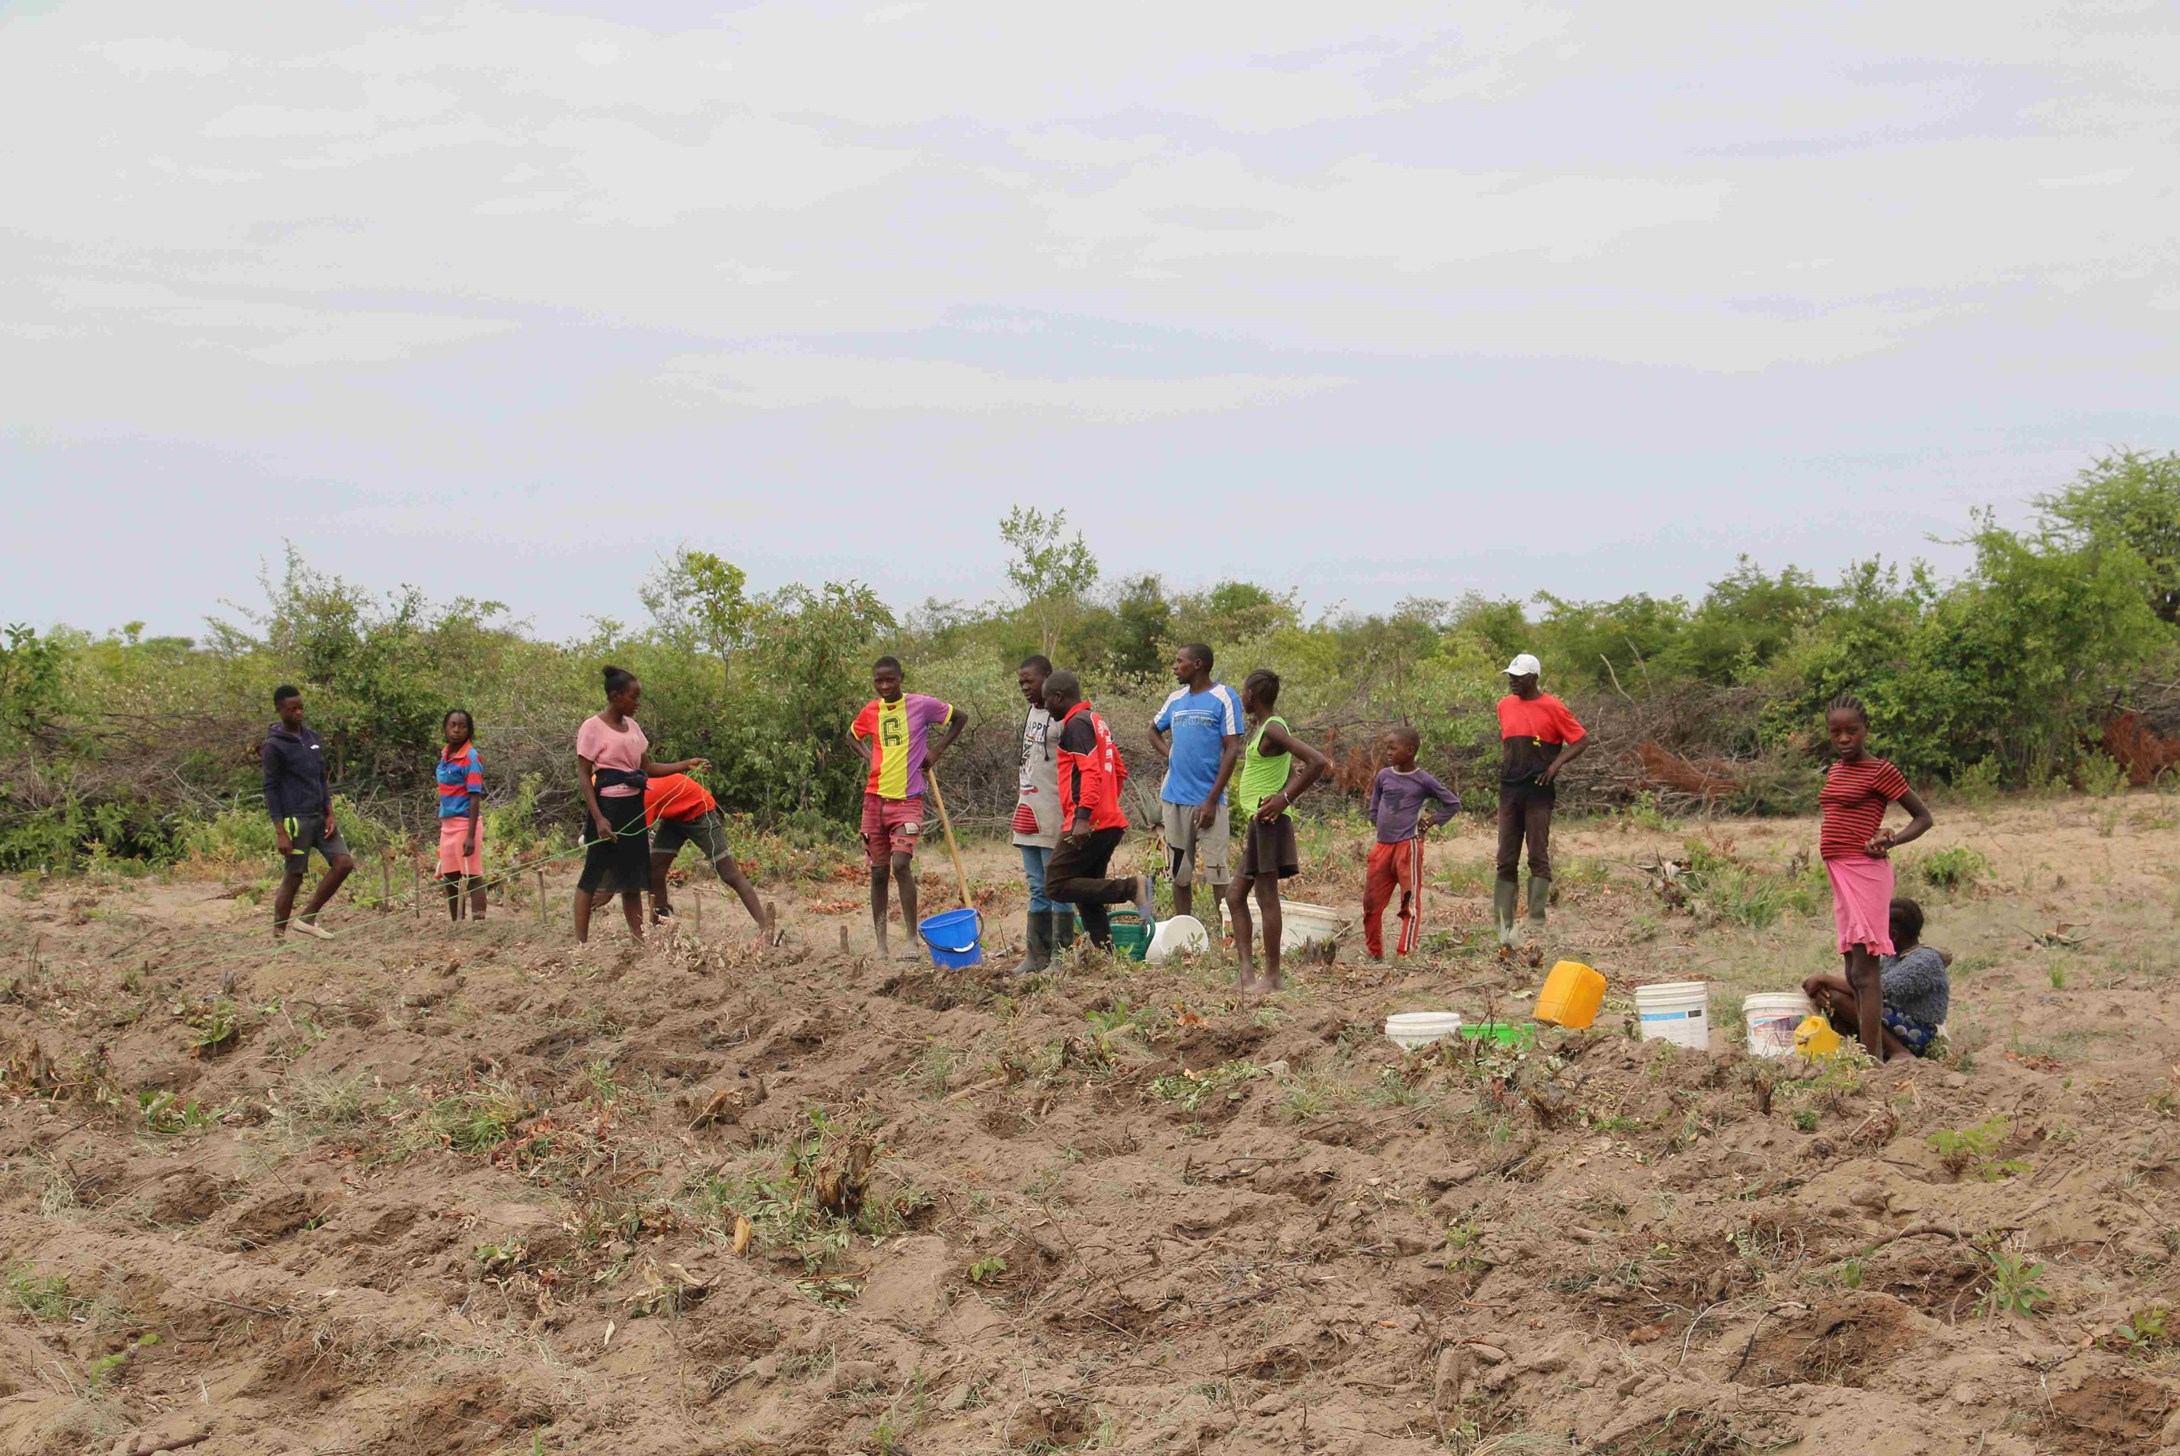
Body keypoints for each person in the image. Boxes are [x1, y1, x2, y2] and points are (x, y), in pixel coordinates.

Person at [1809, 694, 1934, 1060]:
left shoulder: (1881, 771)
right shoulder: (1835, 770)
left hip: (1864, 872)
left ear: (1865, 730)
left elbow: (1923, 818)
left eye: (1852, 731)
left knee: (1865, 970)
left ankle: (1872, 1057)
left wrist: (1892, 837)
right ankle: (1871, 1052)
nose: (1844, 738)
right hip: (1839, 871)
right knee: (1852, 968)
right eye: (1836, 732)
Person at [575, 666, 707, 945]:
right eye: (633, 697)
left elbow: (647, 767)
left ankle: (639, 942)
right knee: (593, 874)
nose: (637, 703)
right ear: (615, 696)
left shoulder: (633, 727)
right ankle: (580, 944)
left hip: (634, 808)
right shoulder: (592, 727)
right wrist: (599, 818)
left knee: (633, 879)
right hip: (607, 807)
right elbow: (585, 776)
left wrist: (684, 765)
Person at [849, 656, 965, 958]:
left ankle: (912, 940)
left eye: (890, 679)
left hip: (908, 799)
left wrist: (936, 751)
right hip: (874, 799)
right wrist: (868, 757)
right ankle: (881, 945)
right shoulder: (871, 711)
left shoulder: (921, 705)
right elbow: (851, 735)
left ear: (902, 677)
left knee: (900, 864)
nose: (885, 685)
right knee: (877, 872)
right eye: (879, 680)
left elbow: (959, 718)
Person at [1226, 670, 1329, 995]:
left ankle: (1272, 977)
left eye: (1243, 691)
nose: (1242, 697)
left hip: (1269, 823)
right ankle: (1246, 976)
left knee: (1266, 897)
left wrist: (1284, 800)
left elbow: (1317, 761)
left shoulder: (1272, 727)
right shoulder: (1264, 731)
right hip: (1261, 823)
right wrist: (1283, 792)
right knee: (1234, 895)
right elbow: (1290, 770)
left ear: (1253, 694)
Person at [1040, 671, 1157, 950]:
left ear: (1059, 697)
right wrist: (1107, 805)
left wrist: (1084, 816)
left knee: (1055, 884)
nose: (1045, 707)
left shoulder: (1076, 725)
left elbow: (1090, 771)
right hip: (1108, 821)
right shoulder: (1095, 721)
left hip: (1088, 823)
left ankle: (1131, 887)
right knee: (1087, 892)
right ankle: (1106, 955)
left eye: (1046, 700)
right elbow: (1119, 770)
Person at [1492, 653, 1589, 949]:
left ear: (1533, 678)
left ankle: (1535, 920)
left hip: (1538, 791)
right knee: (1505, 858)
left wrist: (1554, 766)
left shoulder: (1554, 707)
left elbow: (1582, 739)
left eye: (1518, 677)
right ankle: (1502, 922)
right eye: (1510, 675)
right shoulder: (1504, 705)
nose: (1512, 681)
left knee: (1537, 854)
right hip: (1509, 790)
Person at [1148, 643, 1244, 922]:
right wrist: (1171, 754)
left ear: (1198, 664)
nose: (1175, 667)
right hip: (1175, 798)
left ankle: (1227, 935)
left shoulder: (1224, 697)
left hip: (1209, 801)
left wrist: (1212, 800)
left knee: (1217, 870)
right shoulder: (1176, 699)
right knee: (1179, 872)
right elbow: (1153, 730)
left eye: (1180, 662)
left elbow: (1232, 749)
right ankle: (1184, 931)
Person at [1803, 897, 1950, 1060]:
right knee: (1836, 997)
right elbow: (1860, 984)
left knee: (1845, 999)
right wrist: (1824, 990)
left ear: (1893, 935)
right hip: (1899, 1023)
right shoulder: (1894, 957)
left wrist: (1824, 979)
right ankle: (1856, 1049)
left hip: (1923, 1032)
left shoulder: (1924, 961)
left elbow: (1875, 990)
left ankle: (1899, 1052)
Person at [263, 684, 352, 940]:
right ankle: (278, 934)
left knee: (343, 863)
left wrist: (330, 812)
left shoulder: (312, 737)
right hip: (295, 821)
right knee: (294, 876)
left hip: (320, 817)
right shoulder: (274, 746)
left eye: (301, 707)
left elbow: (321, 777)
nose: (299, 713)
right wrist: (280, 830)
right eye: (293, 709)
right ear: (280, 710)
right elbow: (270, 788)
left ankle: (308, 917)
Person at [1363, 726, 1461, 960]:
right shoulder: (1384, 775)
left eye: (1392, 748)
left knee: (1409, 903)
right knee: (1371, 903)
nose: (1388, 752)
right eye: (1386, 747)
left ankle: (1404, 954)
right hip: (1382, 847)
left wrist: (1430, 822)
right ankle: (1373, 953)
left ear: (1410, 750)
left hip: (1408, 847)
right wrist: (1378, 823)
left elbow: (1452, 803)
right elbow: (1374, 806)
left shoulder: (1423, 779)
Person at [644, 770, 767, 937]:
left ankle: (765, 928)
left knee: (728, 873)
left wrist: (611, 884)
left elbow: (634, 844)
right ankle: (660, 923)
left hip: (699, 812)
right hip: (674, 815)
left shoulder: (645, 795)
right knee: (655, 870)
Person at [1009, 654, 1072, 974]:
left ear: (1049, 678)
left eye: (1029, 681)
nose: (1024, 687)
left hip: (1055, 811)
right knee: (1036, 885)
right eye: (1021, 682)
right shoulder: (1032, 711)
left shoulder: (1065, 718)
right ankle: (1036, 955)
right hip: (1028, 809)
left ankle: (1062, 956)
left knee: (1056, 883)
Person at [435, 709, 486, 922]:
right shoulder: (445, 755)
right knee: (450, 877)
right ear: (445, 728)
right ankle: (457, 922)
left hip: (466, 823)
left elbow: (475, 797)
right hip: (448, 824)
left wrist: (470, 836)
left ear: (469, 730)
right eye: (452, 725)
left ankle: (478, 924)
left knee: (472, 876)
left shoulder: (471, 758)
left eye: (462, 726)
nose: (457, 730)